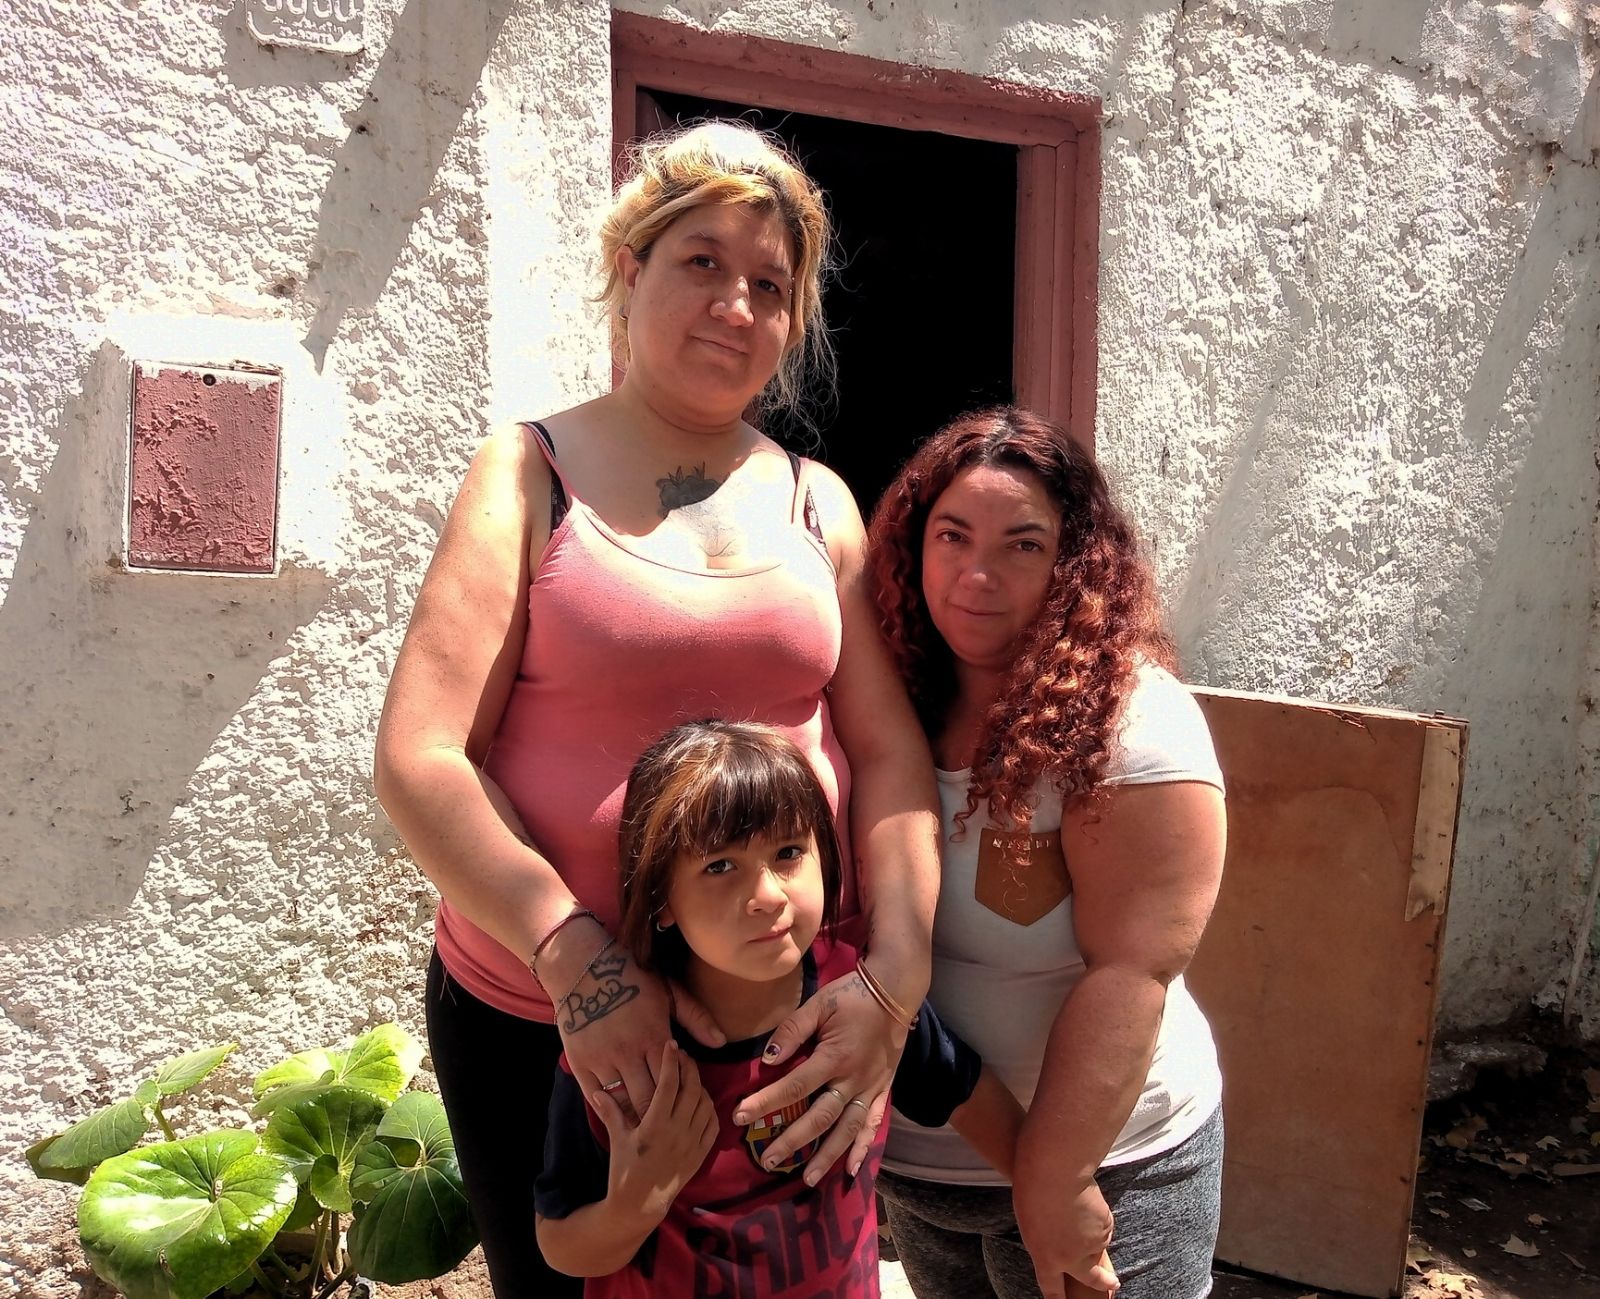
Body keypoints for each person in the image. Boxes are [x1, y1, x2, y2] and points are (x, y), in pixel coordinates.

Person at [373, 122, 940, 1297]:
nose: (737, 305)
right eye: (702, 262)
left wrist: (893, 979)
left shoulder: (817, 503)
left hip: (773, 1021)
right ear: (629, 270)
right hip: (545, 1023)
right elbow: (422, 758)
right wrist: (577, 961)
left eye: (770, 286)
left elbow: (888, 756)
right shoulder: (528, 473)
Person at [867, 407, 1228, 1299]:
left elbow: (1133, 968)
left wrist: (1056, 1178)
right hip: (920, 1170)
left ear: (1075, 562)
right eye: (952, 535)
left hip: (1110, 1171)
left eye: (1023, 545)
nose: (977, 574)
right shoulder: (882, 702)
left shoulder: (1131, 722)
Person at [535, 720, 1024, 1298]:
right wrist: (638, 1200)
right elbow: (561, 1246)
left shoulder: (861, 1001)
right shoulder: (626, 1055)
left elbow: (963, 1092)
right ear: (660, 899)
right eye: (720, 866)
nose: (767, 895)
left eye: (789, 852)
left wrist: (1056, 1194)